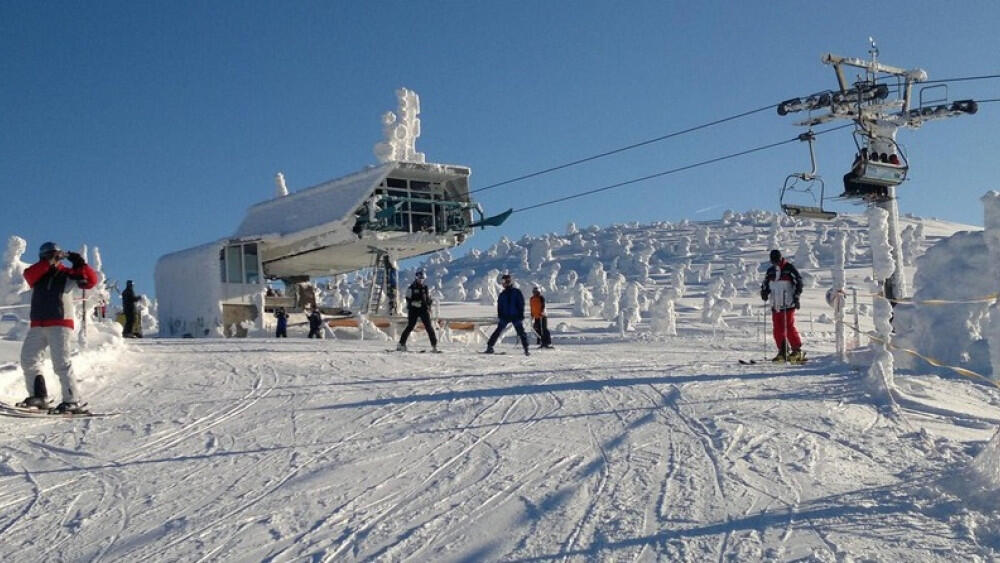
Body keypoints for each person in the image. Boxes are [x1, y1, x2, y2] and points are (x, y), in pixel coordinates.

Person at [17, 242, 98, 414]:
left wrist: (80, 264)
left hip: (60, 322)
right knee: (28, 359)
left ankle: (72, 400)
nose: (53, 258)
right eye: (49, 255)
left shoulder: (67, 274)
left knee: (61, 363)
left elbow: (90, 281)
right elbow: (28, 275)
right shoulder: (37, 274)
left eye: (55, 255)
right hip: (38, 324)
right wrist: (48, 263)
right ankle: (39, 396)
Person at [760, 249, 804, 362]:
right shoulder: (770, 271)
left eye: (777, 260)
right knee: (777, 329)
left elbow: (799, 282)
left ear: (780, 258)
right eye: (773, 261)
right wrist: (764, 292)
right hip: (776, 304)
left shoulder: (789, 269)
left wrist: (796, 296)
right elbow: (765, 283)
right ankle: (783, 350)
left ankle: (797, 350)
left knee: (788, 326)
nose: (775, 262)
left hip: (788, 303)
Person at [485, 274, 530, 356]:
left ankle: (526, 349)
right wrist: (500, 315)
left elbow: (521, 303)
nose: (503, 284)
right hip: (505, 316)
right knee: (498, 331)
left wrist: (521, 314)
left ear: (508, 282)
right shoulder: (503, 294)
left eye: (504, 281)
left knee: (521, 332)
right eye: (502, 282)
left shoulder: (516, 292)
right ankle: (490, 346)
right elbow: (500, 306)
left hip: (515, 316)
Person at [397, 270, 438, 352]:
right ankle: (401, 344)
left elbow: (427, 298)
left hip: (423, 310)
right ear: (416, 278)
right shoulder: (411, 288)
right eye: (419, 278)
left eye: (422, 279)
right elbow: (408, 298)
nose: (421, 280)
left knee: (429, 326)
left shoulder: (425, 288)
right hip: (413, 310)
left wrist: (429, 304)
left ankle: (434, 346)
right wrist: (413, 303)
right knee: (410, 326)